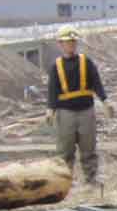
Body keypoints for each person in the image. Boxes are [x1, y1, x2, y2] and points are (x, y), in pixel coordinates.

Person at [46, 25, 109, 191]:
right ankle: (66, 183)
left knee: (88, 148)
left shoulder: (85, 62)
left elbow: (96, 82)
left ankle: (91, 179)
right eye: (68, 42)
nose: (71, 45)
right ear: (61, 44)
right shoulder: (56, 66)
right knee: (65, 150)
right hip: (65, 113)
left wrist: (105, 101)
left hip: (86, 111)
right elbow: (53, 90)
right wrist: (50, 110)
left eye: (73, 41)